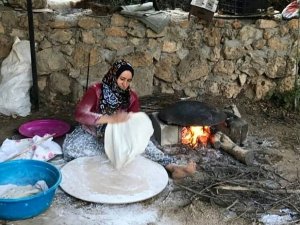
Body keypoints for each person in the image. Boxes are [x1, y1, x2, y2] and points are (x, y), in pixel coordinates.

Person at [63, 59, 196, 179]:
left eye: (128, 80)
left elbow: (134, 124)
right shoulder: (96, 91)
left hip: (117, 137)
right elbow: (80, 114)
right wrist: (109, 119)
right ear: (113, 75)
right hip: (91, 134)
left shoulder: (131, 97)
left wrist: (132, 132)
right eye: (122, 79)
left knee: (144, 146)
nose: (125, 84)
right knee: (70, 148)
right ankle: (110, 153)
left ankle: (173, 167)